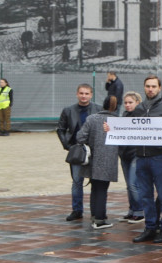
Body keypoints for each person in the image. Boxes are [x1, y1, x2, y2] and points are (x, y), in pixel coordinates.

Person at [132, 75, 162, 244]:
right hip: (141, 157)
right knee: (145, 195)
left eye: (153, 86)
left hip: (159, 156)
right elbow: (129, 129)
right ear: (144, 88)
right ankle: (150, 227)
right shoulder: (138, 108)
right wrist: (111, 129)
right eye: (147, 86)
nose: (150, 89)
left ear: (159, 88)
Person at [57, 84, 100, 221]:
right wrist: (67, 145)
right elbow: (60, 129)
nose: (84, 96)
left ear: (91, 95)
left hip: (94, 150)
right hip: (76, 149)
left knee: (96, 181)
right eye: (81, 93)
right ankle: (77, 210)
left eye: (86, 93)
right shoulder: (68, 110)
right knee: (76, 181)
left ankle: (96, 211)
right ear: (77, 94)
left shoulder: (98, 109)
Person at [77, 96, 120, 230]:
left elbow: (80, 137)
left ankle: (95, 215)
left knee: (95, 187)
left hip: (93, 159)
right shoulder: (117, 121)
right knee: (102, 189)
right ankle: (100, 220)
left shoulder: (91, 118)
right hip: (109, 159)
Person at [118, 92, 144, 223]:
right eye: (126, 103)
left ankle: (140, 210)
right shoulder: (124, 115)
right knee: (129, 184)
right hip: (124, 153)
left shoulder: (141, 115)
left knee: (134, 183)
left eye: (130, 102)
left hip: (136, 153)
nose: (127, 105)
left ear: (137, 102)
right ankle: (132, 209)